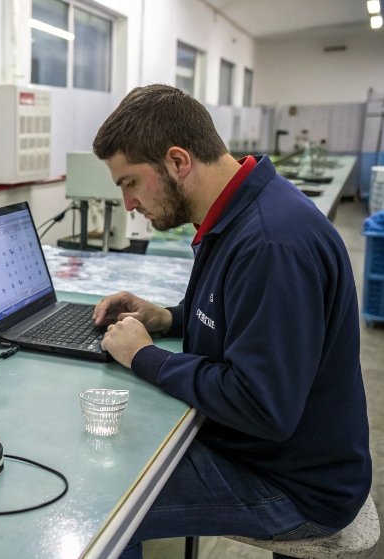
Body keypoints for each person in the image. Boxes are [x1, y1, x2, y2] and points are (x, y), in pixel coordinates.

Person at [90, 84, 371, 558]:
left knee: (105, 500)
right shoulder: (237, 211)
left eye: (129, 183)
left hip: (295, 487)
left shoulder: (270, 245)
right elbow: (234, 321)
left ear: (178, 161)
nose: (129, 205)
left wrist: (144, 357)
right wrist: (167, 319)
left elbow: (261, 405)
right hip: (268, 453)